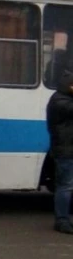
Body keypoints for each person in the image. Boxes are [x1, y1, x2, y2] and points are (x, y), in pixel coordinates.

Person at [47, 70, 73, 234]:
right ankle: (62, 220)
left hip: (68, 150)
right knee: (65, 186)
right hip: (66, 151)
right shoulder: (60, 102)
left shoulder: (64, 98)